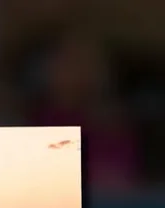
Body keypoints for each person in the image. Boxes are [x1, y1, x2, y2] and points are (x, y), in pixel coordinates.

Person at [22, 31, 142, 191]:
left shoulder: (113, 129)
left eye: (88, 62)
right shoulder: (32, 124)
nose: (81, 71)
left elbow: (120, 182)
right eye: (70, 61)